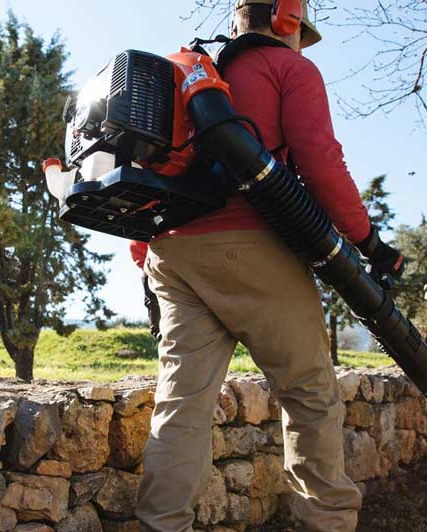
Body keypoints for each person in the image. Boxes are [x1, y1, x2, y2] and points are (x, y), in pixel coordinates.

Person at [131, 1, 404, 530]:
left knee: (182, 404)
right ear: (287, 21)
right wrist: (370, 243)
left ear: (236, 20)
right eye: (303, 32)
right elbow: (321, 163)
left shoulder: (189, 76)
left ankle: (161, 524)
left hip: (171, 253)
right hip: (248, 242)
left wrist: (147, 256)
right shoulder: (288, 67)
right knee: (310, 396)